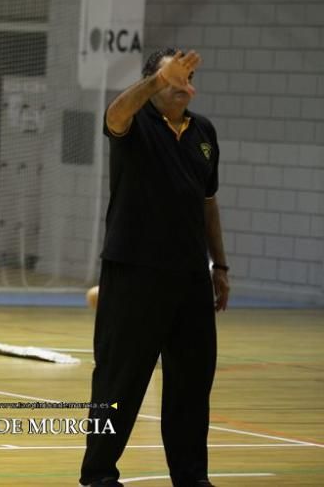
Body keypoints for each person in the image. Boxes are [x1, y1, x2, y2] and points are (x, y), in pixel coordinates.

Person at [79, 48, 230, 487]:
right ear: (157, 82)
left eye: (191, 78)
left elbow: (209, 203)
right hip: (133, 274)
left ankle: (191, 478)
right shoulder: (133, 120)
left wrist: (219, 266)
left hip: (190, 278)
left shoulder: (204, 132)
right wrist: (155, 81)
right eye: (179, 79)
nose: (189, 87)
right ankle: (98, 476)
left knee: (191, 383)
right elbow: (114, 112)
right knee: (119, 380)